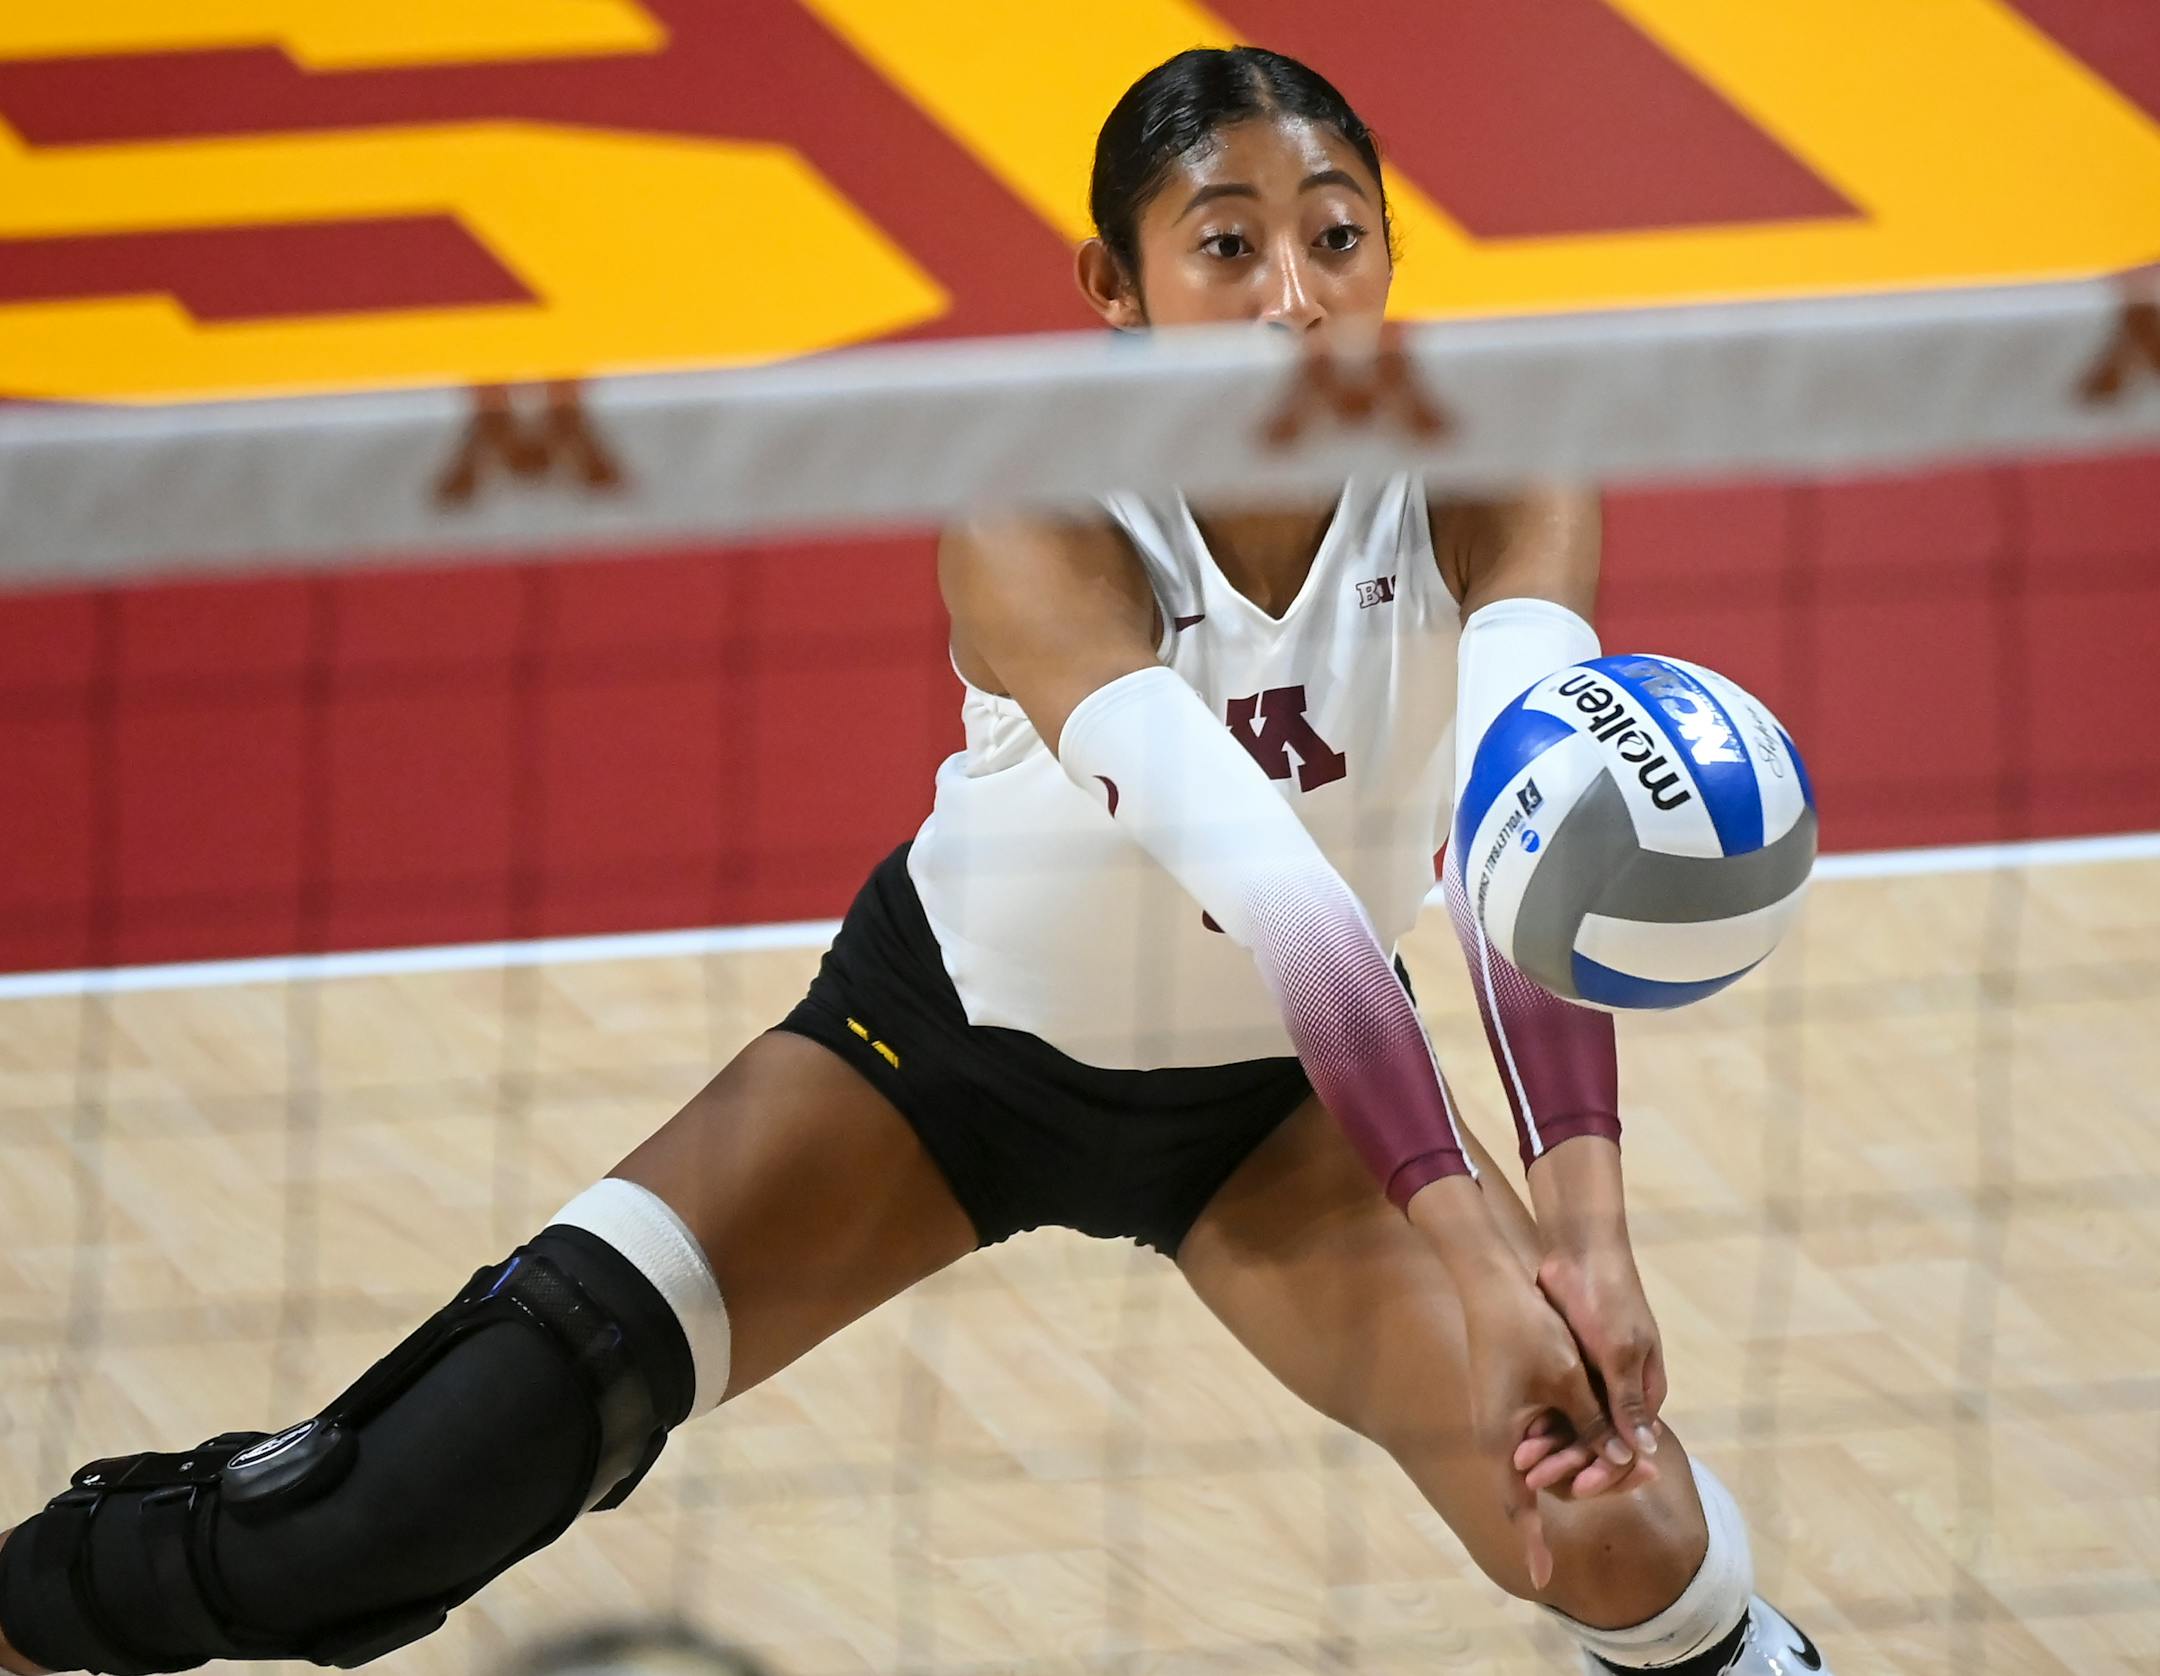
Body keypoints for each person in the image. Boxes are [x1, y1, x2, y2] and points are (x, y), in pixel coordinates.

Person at [0, 46, 1832, 1676]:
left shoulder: (1494, 465)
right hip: (932, 1065)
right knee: (400, 1504)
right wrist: (1485, 1250)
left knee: (1615, 1530)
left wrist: (1582, 1240)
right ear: (1113, 289)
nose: (1296, 300)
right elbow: (1277, 895)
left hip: (1294, 1118)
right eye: (1226, 245)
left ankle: (1749, 1651)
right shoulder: (1034, 496)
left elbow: (1529, 845)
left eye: (1339, 237)